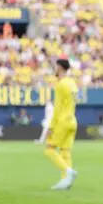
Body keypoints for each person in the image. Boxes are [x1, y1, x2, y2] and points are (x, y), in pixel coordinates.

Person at [44, 59, 78, 190]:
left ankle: (68, 171)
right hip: (72, 120)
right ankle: (65, 181)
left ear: (59, 67)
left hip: (63, 121)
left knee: (49, 149)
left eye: (55, 66)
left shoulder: (61, 84)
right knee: (65, 151)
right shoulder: (72, 83)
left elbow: (57, 108)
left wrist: (51, 127)